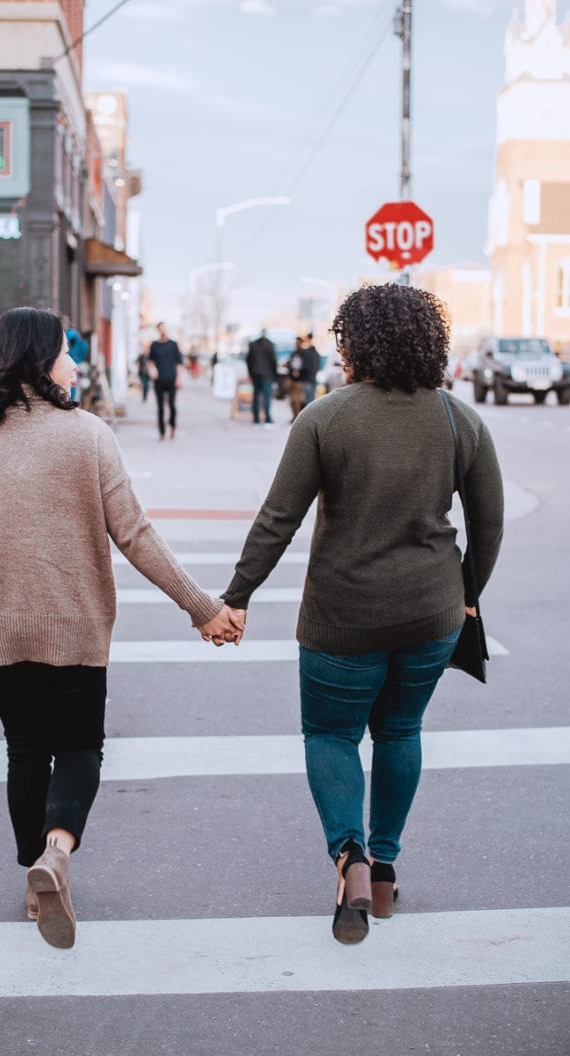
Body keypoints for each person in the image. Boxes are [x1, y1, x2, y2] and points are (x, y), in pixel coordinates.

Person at [0, 306, 243, 950]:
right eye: (66, 351)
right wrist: (201, 605)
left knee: (23, 748)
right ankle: (58, 851)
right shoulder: (88, 434)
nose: (75, 362)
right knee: (78, 748)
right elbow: (135, 534)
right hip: (75, 619)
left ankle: (34, 884)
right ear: (41, 359)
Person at [220, 284, 503, 945]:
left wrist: (235, 597)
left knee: (331, 735)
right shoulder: (460, 421)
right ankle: (386, 873)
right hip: (432, 613)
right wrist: (467, 594)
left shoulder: (325, 417)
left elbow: (277, 520)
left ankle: (349, 858)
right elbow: (486, 524)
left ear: (355, 343)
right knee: (400, 732)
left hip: (341, 617)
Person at [149, 322, 183, 440]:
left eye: (164, 328)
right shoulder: (154, 345)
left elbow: (179, 364)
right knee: (160, 407)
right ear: (158, 330)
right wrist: (152, 370)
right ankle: (162, 432)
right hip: (159, 380)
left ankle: (173, 426)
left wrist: (179, 378)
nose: (162, 331)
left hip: (172, 379)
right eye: (160, 329)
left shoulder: (173, 345)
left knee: (172, 405)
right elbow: (151, 361)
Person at [246, 329, 277, 427]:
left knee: (256, 397)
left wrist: (251, 372)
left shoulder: (253, 344)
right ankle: (267, 419)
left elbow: (248, 360)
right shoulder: (269, 345)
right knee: (266, 397)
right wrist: (274, 375)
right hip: (267, 375)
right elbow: (273, 361)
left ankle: (256, 419)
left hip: (255, 374)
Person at [286, 337, 306, 422]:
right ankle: (294, 416)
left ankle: (297, 417)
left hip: (299, 381)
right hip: (291, 380)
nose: (296, 344)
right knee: (292, 401)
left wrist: (299, 372)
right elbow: (290, 363)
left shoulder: (304, 354)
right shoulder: (293, 353)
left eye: (298, 342)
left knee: (297, 400)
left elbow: (305, 366)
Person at [300, 333, 321, 406]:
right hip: (313, 378)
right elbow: (318, 366)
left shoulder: (307, 353)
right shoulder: (316, 354)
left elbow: (304, 367)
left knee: (308, 402)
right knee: (312, 400)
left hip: (307, 379)